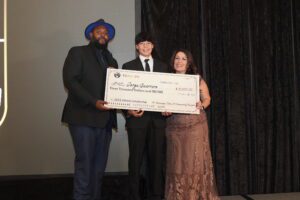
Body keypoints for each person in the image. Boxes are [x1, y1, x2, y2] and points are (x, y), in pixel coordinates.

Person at [62, 19, 118, 200]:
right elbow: (70, 81)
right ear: (90, 35)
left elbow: (118, 91)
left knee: (99, 168)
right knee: (85, 165)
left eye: (106, 33)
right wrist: (93, 102)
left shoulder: (112, 60)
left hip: (105, 121)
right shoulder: (78, 52)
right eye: (99, 32)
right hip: (83, 117)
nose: (103, 35)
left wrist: (130, 108)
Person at [163, 49, 220, 200]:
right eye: (177, 58)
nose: (179, 61)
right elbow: (161, 104)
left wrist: (202, 104)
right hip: (174, 127)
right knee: (177, 163)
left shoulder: (196, 79)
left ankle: (196, 195)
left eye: (183, 59)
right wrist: (164, 110)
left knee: (195, 163)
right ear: (173, 61)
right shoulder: (165, 80)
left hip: (195, 126)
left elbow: (207, 98)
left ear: (188, 63)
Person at [122, 32, 168, 200]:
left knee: (157, 160)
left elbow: (168, 93)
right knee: (135, 161)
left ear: (153, 46)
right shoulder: (127, 66)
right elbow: (122, 93)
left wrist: (168, 107)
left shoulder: (164, 67)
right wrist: (128, 110)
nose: (146, 46)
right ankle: (134, 196)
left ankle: (155, 195)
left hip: (158, 122)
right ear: (137, 46)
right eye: (142, 43)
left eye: (149, 43)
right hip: (137, 122)